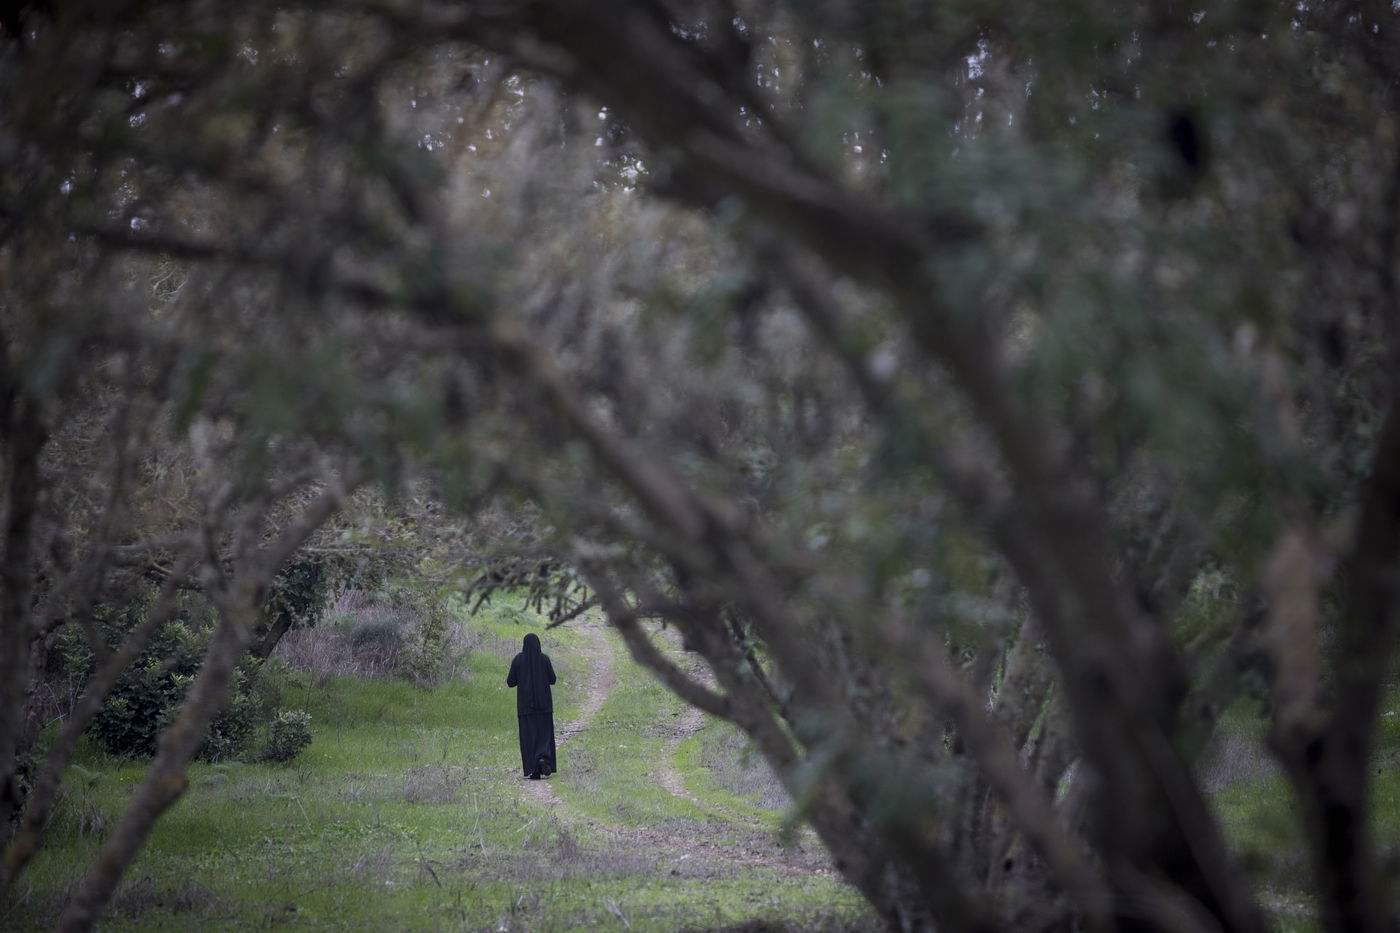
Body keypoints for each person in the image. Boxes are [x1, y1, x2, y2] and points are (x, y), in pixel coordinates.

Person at [506, 632, 557, 779]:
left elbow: (510, 682)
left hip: (525, 708)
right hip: (545, 707)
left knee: (529, 738)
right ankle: (544, 758)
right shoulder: (544, 659)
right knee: (544, 735)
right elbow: (553, 680)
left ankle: (534, 770)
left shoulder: (518, 660)